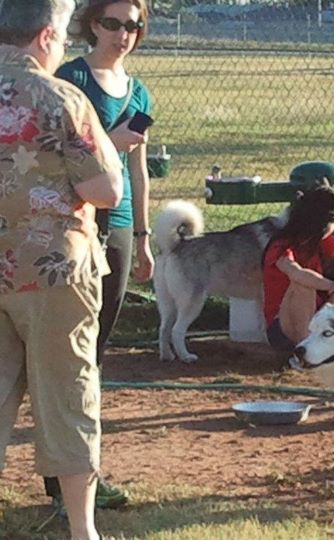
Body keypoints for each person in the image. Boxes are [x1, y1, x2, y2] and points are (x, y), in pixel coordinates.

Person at [0, 0, 124, 537]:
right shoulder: (60, 97)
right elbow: (105, 189)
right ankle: (81, 529)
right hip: (53, 273)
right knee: (69, 394)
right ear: (47, 35)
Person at [44, 0, 154, 510]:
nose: (123, 33)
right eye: (112, 23)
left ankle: (79, 477)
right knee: (66, 357)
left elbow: (139, 171)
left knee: (95, 354)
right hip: (75, 225)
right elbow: (65, 161)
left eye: (132, 25)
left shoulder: (138, 89)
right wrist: (112, 140)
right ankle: (63, 483)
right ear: (91, 25)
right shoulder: (70, 79)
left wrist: (145, 236)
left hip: (121, 226)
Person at [263, 186, 334, 350]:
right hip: (284, 326)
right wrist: (333, 286)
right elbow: (298, 274)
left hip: (316, 316)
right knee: (304, 287)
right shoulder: (281, 246)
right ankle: (303, 351)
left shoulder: (321, 239)